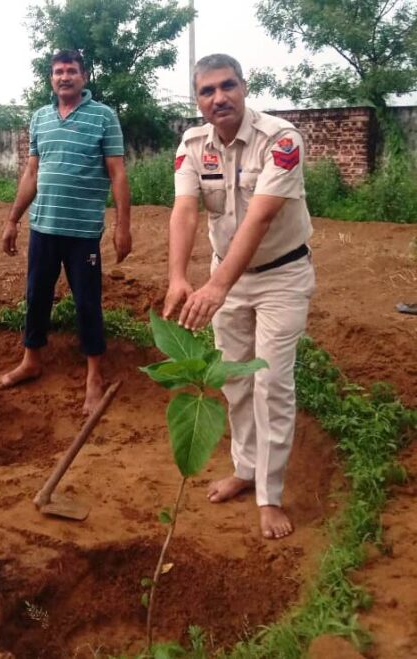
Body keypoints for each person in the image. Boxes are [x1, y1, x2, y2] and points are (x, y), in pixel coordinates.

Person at [163, 54, 315, 539]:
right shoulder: (191, 145)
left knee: (271, 384)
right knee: (234, 380)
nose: (218, 98)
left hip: (280, 276)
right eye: (207, 91)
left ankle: (270, 495)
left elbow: (261, 217)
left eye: (227, 86)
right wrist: (177, 278)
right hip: (223, 277)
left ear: (245, 87)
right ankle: (246, 469)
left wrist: (216, 286)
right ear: (198, 100)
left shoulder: (281, 140)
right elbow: (185, 210)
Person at [0, 49, 132, 414]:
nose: (64, 77)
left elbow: (117, 173)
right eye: (58, 72)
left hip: (83, 231)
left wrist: (123, 226)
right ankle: (31, 360)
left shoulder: (103, 117)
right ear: (51, 79)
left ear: (84, 77)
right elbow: (31, 174)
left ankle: (94, 376)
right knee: (36, 294)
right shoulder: (39, 118)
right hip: (43, 226)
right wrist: (12, 220)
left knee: (87, 302)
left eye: (71, 71)